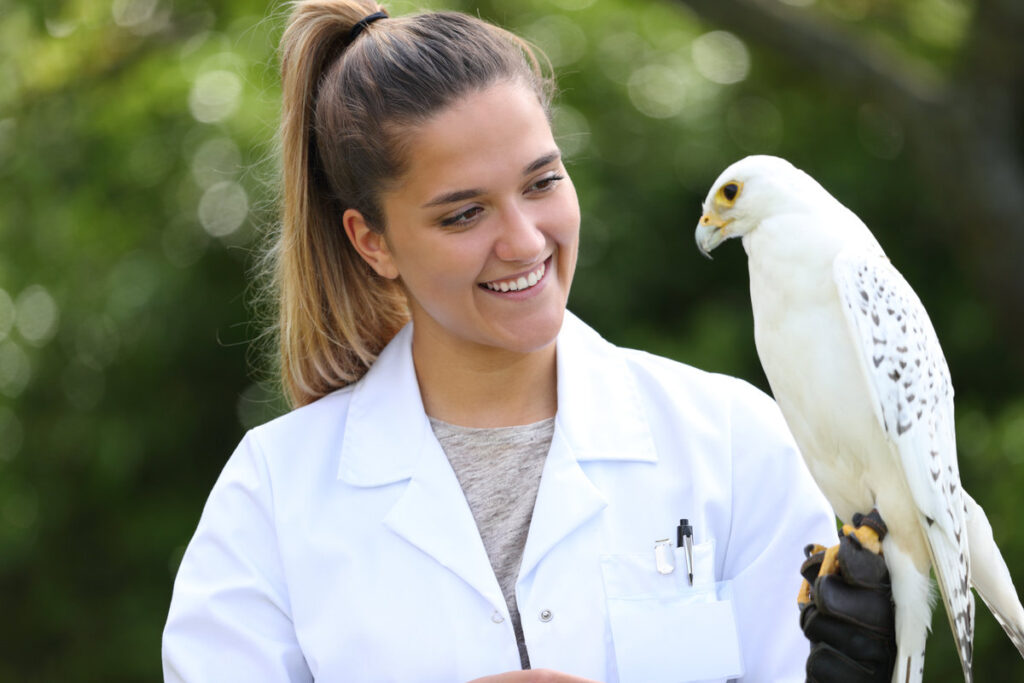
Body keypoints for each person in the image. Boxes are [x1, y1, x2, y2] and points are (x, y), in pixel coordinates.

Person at [162, 2, 892, 681]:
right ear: (372, 241)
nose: (523, 240)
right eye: (463, 214)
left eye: (541, 182)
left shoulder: (736, 443)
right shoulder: (270, 500)